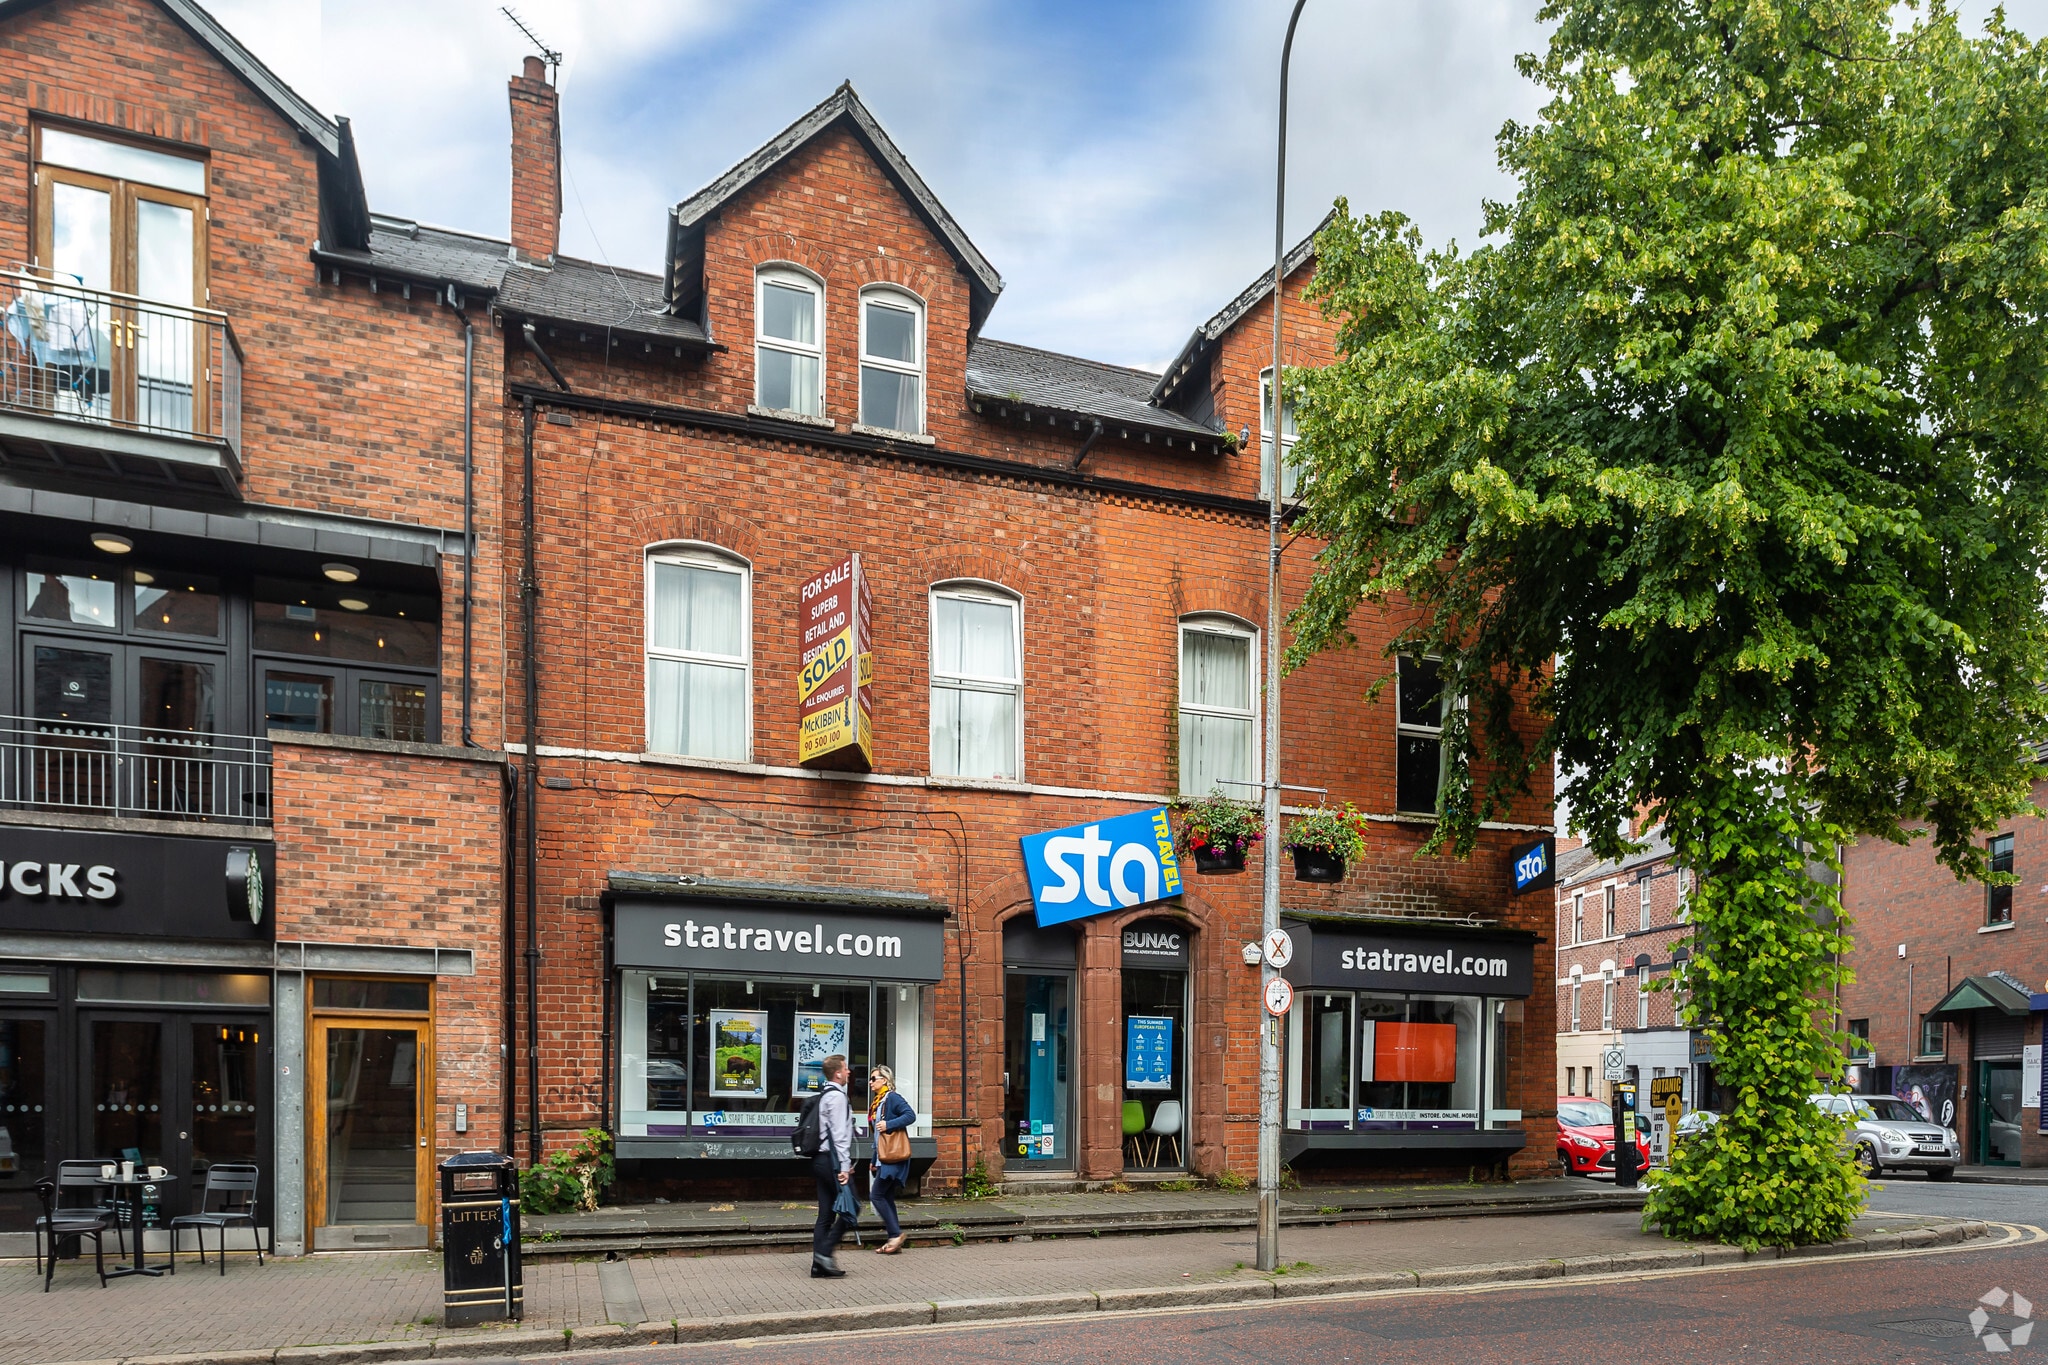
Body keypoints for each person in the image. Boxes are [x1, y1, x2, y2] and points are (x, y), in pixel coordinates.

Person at [809, 1053, 854, 1277]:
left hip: (821, 1159)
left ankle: (818, 1267)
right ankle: (824, 1254)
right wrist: (844, 1167)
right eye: (845, 1069)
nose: (848, 1072)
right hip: (832, 1161)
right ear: (837, 1073)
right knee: (851, 1208)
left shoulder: (824, 1094)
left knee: (826, 1214)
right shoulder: (836, 1097)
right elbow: (839, 1136)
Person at [867, 1065, 916, 1255]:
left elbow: (910, 1115)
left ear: (884, 1080)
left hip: (893, 1156)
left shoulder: (892, 1098)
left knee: (876, 1195)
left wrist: (889, 1124)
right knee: (886, 1196)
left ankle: (895, 1234)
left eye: (874, 1078)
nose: (870, 1082)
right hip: (882, 1156)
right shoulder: (878, 1102)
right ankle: (894, 1240)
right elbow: (877, 1137)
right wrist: (873, 1159)